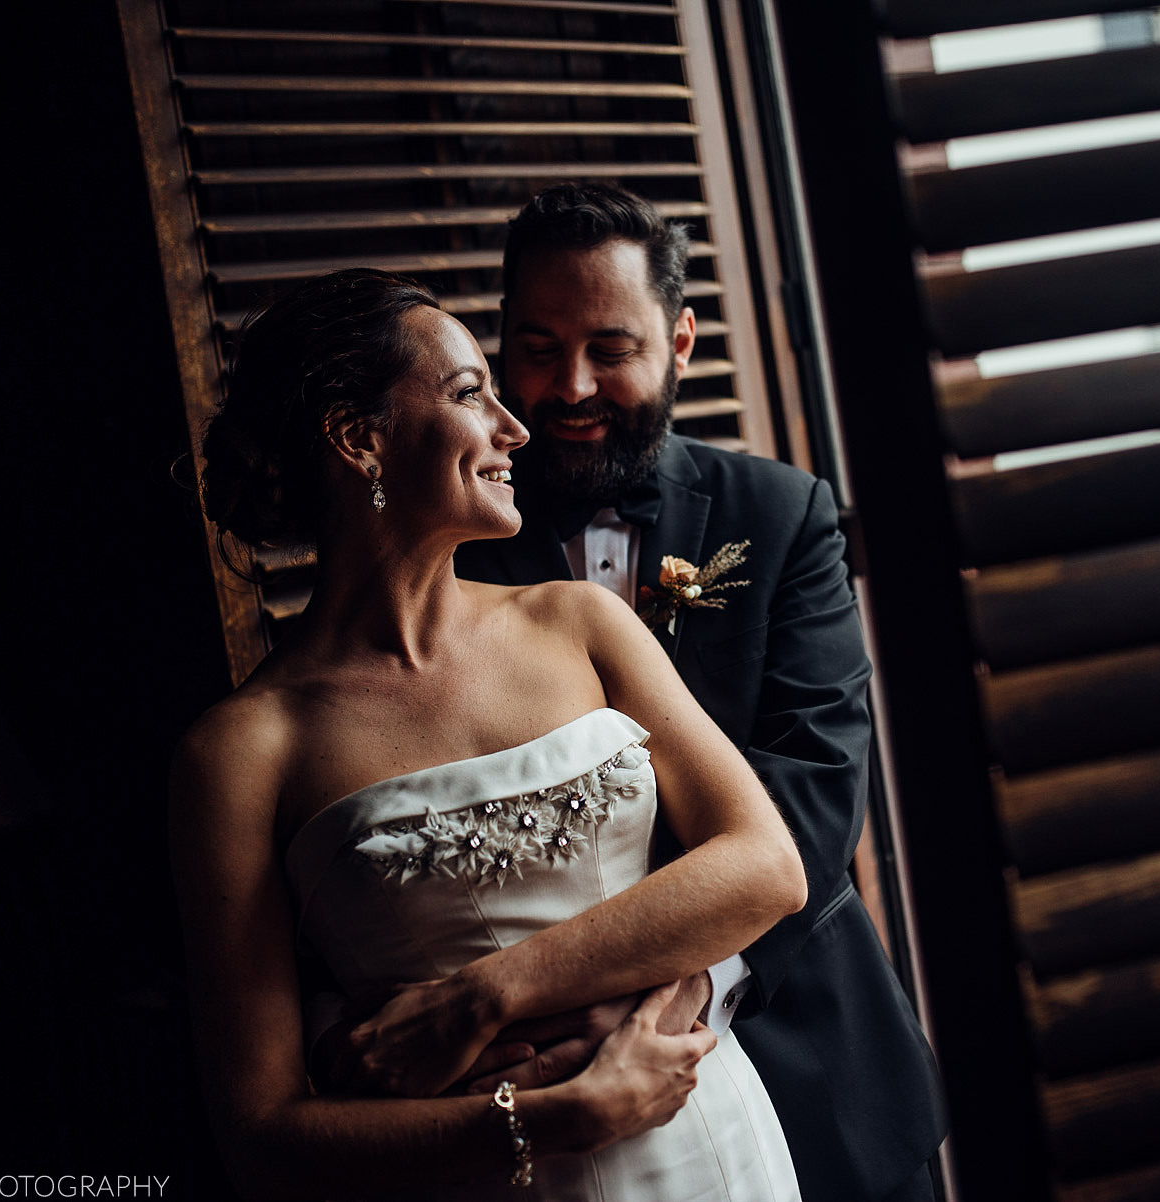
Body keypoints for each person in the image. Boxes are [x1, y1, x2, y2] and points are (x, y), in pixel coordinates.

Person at [337, 183, 948, 1200]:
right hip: (558, 1091)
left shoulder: (782, 512)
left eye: (611, 349)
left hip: (814, 1050)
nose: (569, 384)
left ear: (681, 341)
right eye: (536, 347)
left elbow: (815, 790)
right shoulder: (455, 537)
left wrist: (654, 978)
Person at [171, 266, 809, 1200]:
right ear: (359, 437)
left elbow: (765, 867)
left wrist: (483, 995)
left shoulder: (580, 623)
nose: (515, 429)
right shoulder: (240, 754)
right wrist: (561, 1116)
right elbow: (261, 1136)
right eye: (472, 393)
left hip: (704, 1141)